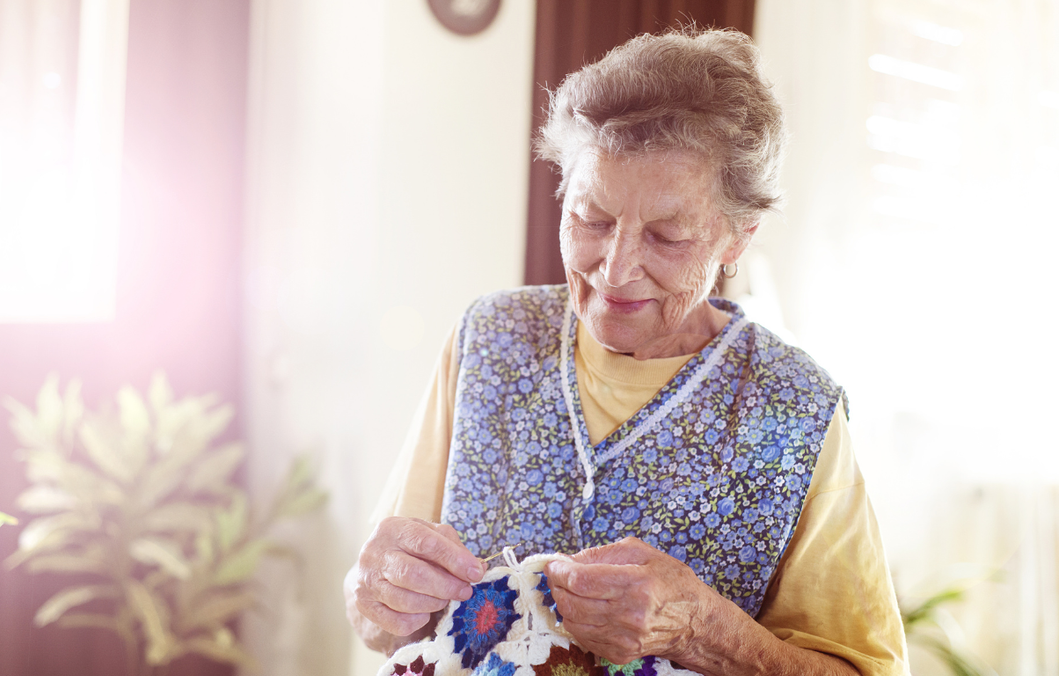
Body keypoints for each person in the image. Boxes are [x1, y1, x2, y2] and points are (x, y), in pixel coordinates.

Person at [344, 27, 908, 676]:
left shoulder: (796, 412)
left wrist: (702, 630)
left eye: (666, 236)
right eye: (592, 219)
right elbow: (373, 611)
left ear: (736, 237)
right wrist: (371, 589)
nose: (614, 270)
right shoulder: (490, 339)